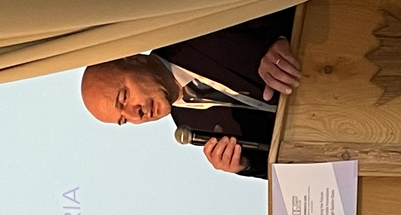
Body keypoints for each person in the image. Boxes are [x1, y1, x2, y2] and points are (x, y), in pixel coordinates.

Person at [78, 9, 304, 179]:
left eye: (124, 98)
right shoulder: (195, 130)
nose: (136, 115)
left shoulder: (190, 30)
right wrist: (245, 165)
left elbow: (280, 2)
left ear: (134, 59)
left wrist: (281, 40)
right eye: (124, 120)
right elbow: (298, 169)